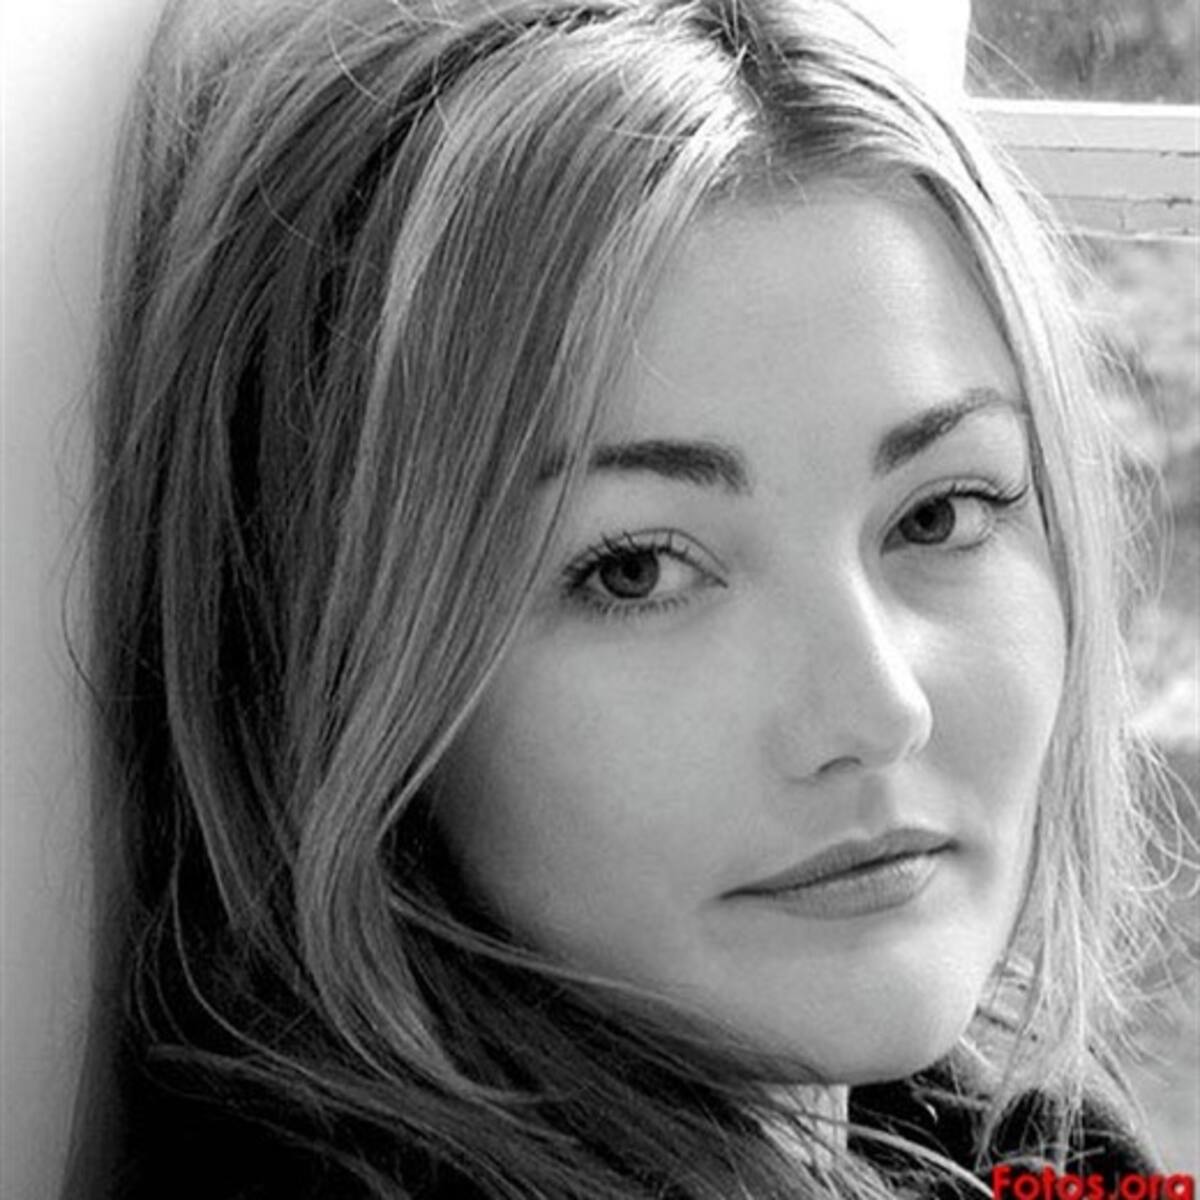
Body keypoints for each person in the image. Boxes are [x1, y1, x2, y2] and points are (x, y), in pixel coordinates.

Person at [72, 0, 1177, 1195]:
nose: (877, 709)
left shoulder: (1028, 1149)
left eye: (939, 514)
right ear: (332, 650)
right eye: (636, 570)